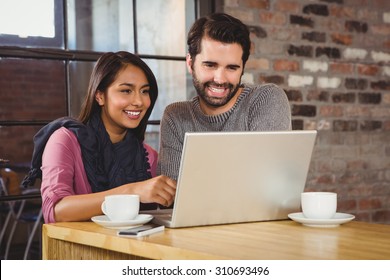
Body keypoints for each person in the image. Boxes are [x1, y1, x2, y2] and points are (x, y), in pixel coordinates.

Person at [22, 51, 176, 223]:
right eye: (126, 90)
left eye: (145, 91)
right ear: (100, 95)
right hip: (80, 248)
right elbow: (55, 210)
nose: (139, 101)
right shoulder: (64, 141)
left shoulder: (148, 157)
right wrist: (132, 191)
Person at [157, 13, 292, 180]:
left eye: (232, 68)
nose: (220, 79)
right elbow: (173, 197)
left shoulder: (266, 99)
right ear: (190, 64)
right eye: (210, 65)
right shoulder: (175, 116)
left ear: (242, 68)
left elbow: (269, 184)